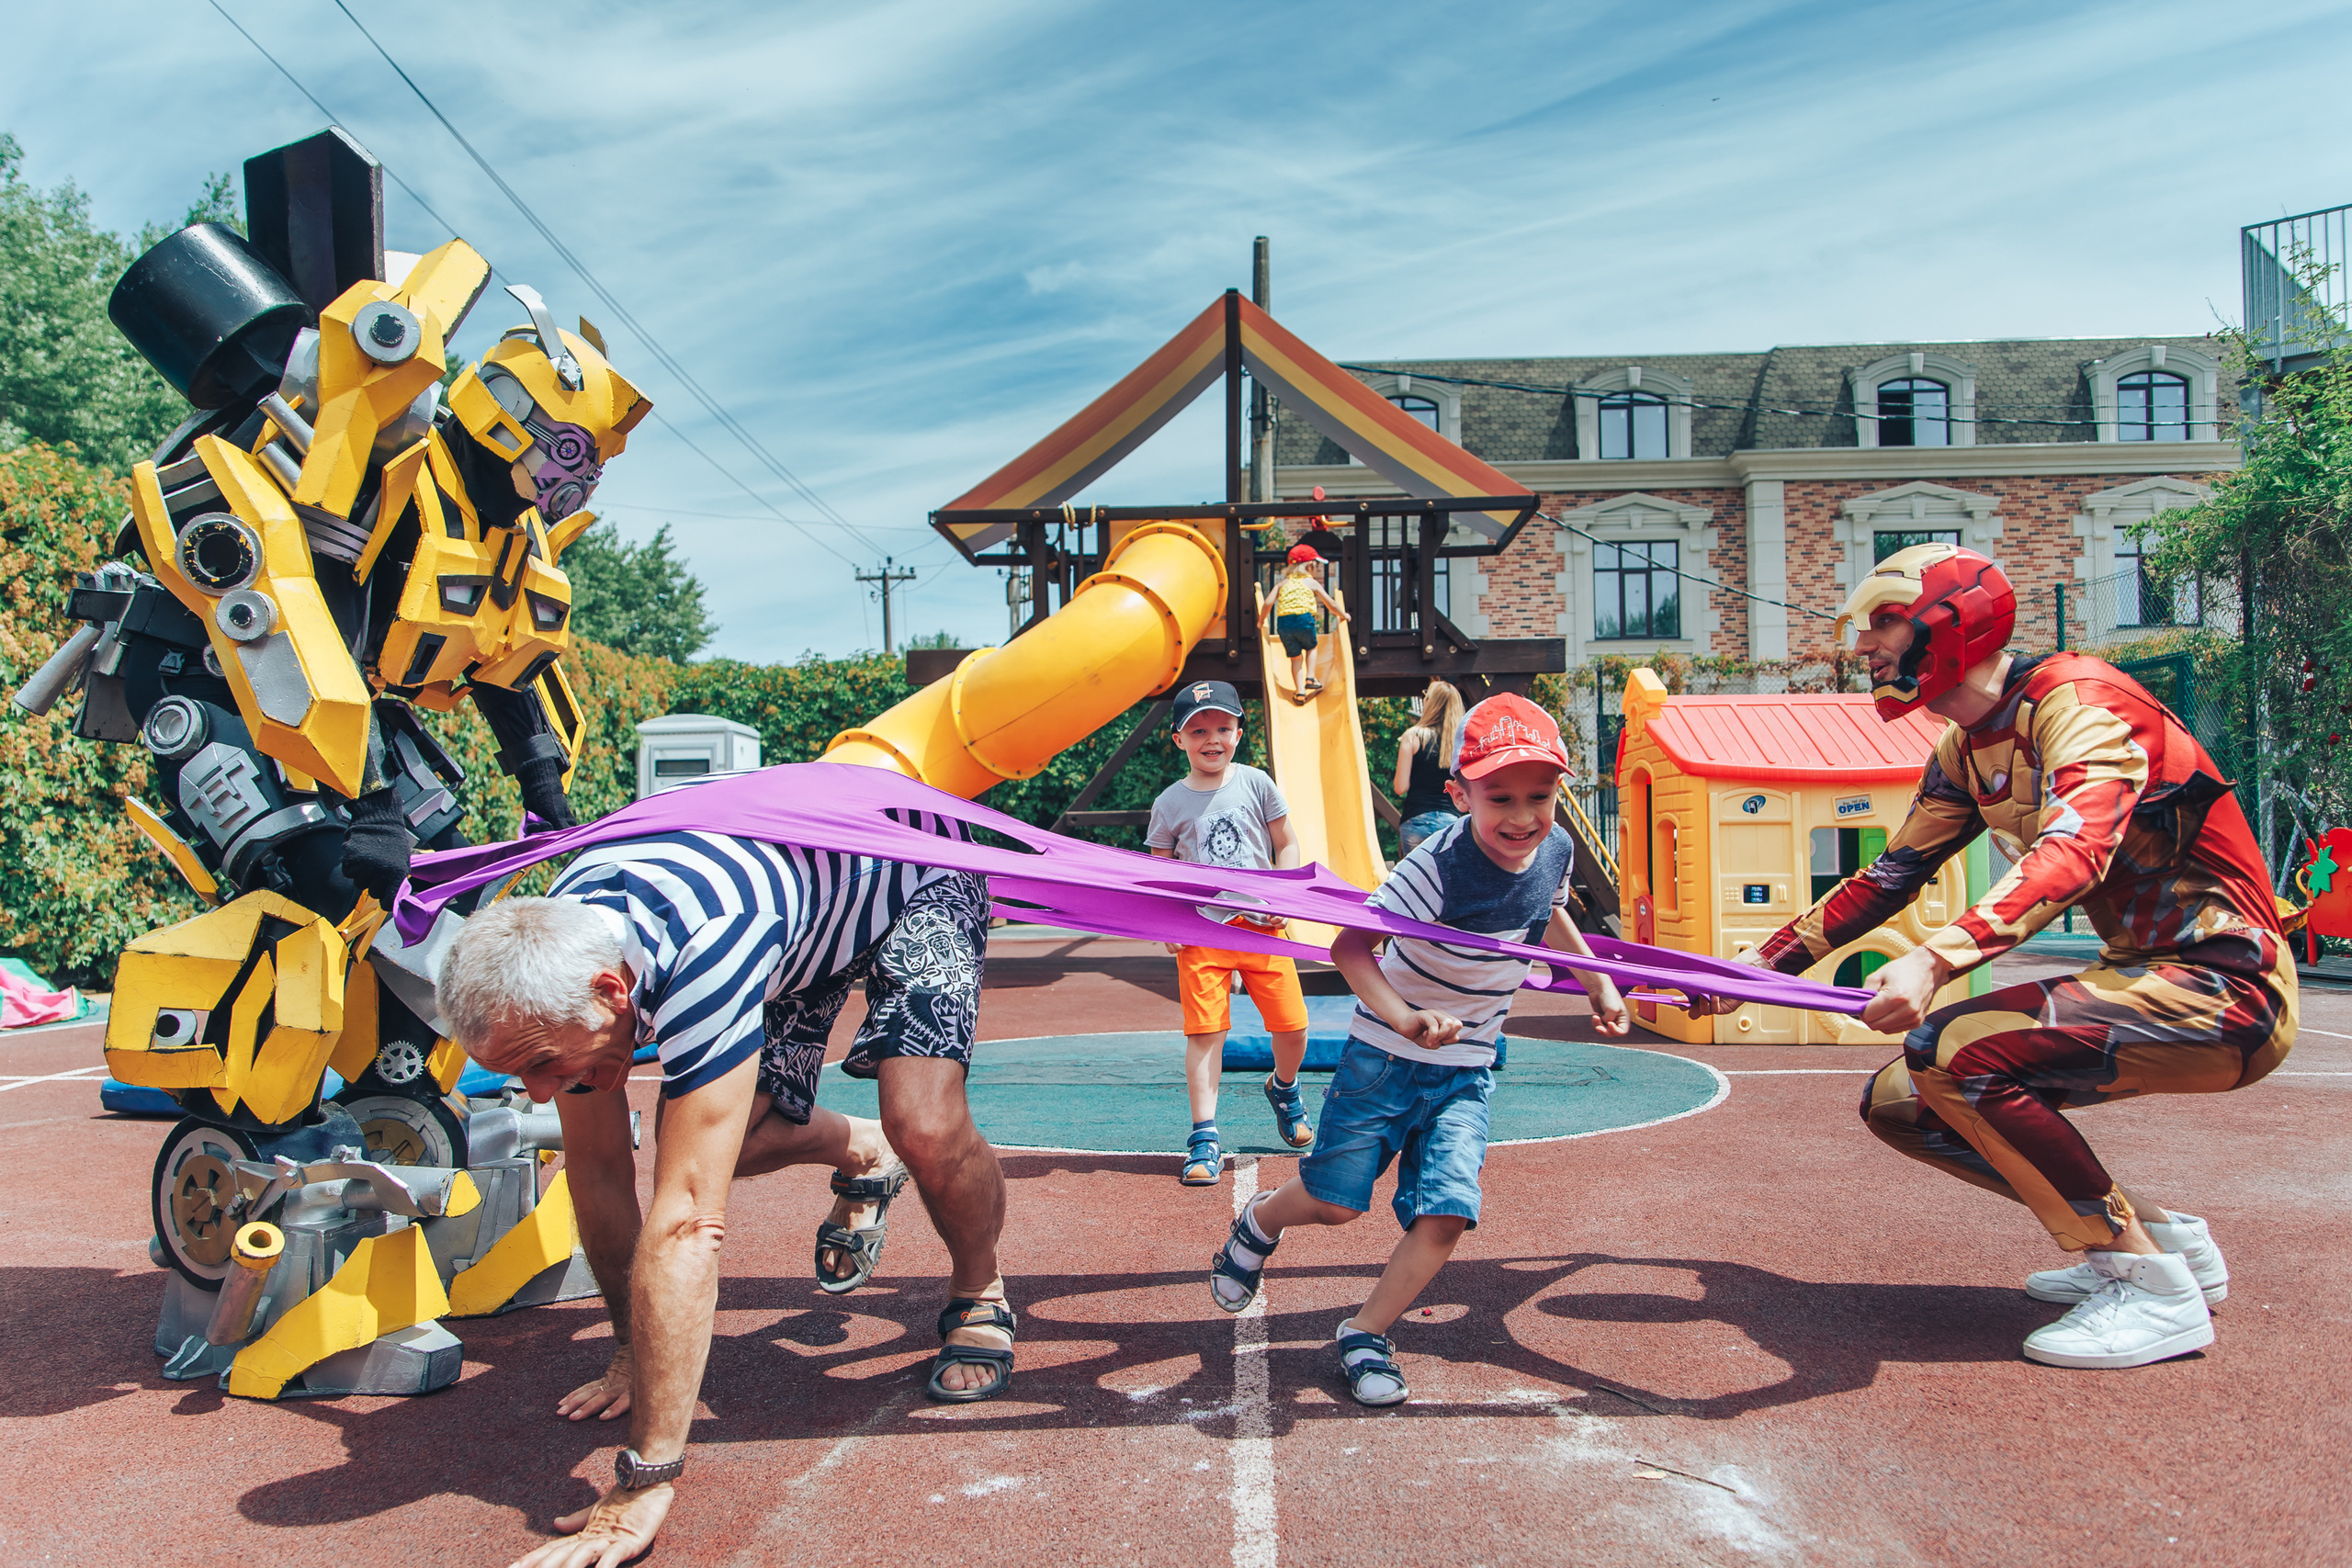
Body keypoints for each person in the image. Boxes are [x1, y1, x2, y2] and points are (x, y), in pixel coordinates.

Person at [1691, 544, 2296, 1371]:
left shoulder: (2080, 700)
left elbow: (2073, 847)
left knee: (1957, 1054)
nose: (1865, 647)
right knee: (1904, 1100)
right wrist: (1757, 968)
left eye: (1885, 623)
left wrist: (1934, 962)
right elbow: (1891, 874)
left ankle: (2149, 1288)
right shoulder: (1964, 748)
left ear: (1951, 620)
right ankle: (2158, 1240)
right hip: (2145, 975)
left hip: (2228, 985)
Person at [436, 825, 1015, 1568]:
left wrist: (647, 1476)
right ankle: (863, 1150)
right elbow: (600, 1170)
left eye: (546, 1066)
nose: (542, 1093)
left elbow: (686, 1223)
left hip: (907, 879)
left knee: (922, 1119)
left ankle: (980, 1289)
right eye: (523, 1075)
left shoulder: (706, 945)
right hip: (792, 927)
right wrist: (629, 1348)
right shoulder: (558, 961)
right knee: (718, 1141)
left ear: (613, 991)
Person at [1205, 694, 1631, 1404]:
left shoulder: (1553, 848)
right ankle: (1257, 1222)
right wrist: (1405, 1017)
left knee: (1447, 1211)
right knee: (1338, 1204)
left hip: (1466, 1069)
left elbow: (1550, 909)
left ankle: (1365, 1332)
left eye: (1541, 795)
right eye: (1500, 797)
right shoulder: (1437, 865)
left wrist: (1597, 980)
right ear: (1461, 793)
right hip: (1385, 1057)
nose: (1523, 817)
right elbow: (1351, 945)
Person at [1148, 680, 1317, 1183]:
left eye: (1222, 727)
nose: (1212, 739)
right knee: (1206, 1033)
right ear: (1179, 739)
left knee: (1293, 1026)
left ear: (1239, 732)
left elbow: (1286, 843)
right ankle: (1204, 1136)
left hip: (1262, 927)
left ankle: (1284, 1088)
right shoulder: (1169, 803)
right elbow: (1163, 870)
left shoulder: (1256, 783)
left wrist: (1282, 895)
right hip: (1204, 932)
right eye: (1198, 731)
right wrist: (1169, 920)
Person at [1256, 544, 1351, 702]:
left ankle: (1300, 692)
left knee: (1295, 658)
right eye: (1316, 565)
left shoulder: (1282, 584)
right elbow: (1330, 604)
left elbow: (1267, 603)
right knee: (1311, 647)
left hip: (1284, 624)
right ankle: (1310, 678)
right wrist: (1343, 615)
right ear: (1309, 565)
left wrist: (1261, 621)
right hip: (1304, 620)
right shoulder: (1310, 582)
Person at [1393, 679, 1466, 855]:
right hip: (1450, 821)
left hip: (1415, 820)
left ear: (1431, 704)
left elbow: (1400, 787)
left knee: (1416, 881)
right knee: (1445, 881)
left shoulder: (1412, 736)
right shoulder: (1461, 743)